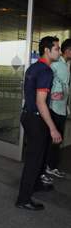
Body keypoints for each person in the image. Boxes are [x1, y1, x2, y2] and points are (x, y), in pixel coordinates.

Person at [16, 36, 62, 211]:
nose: (58, 51)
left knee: (39, 155)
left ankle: (35, 184)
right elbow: (41, 102)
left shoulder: (34, 68)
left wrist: (51, 96)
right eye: (56, 48)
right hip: (36, 118)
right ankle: (23, 199)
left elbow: (34, 94)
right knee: (34, 160)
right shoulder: (46, 71)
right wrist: (53, 129)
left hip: (28, 115)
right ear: (47, 51)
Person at [42, 38, 71, 181]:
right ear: (68, 50)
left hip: (62, 108)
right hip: (54, 107)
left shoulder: (65, 64)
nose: (58, 51)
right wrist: (55, 90)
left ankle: (51, 166)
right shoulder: (56, 64)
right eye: (57, 49)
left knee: (58, 140)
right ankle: (49, 167)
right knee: (54, 139)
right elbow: (49, 79)